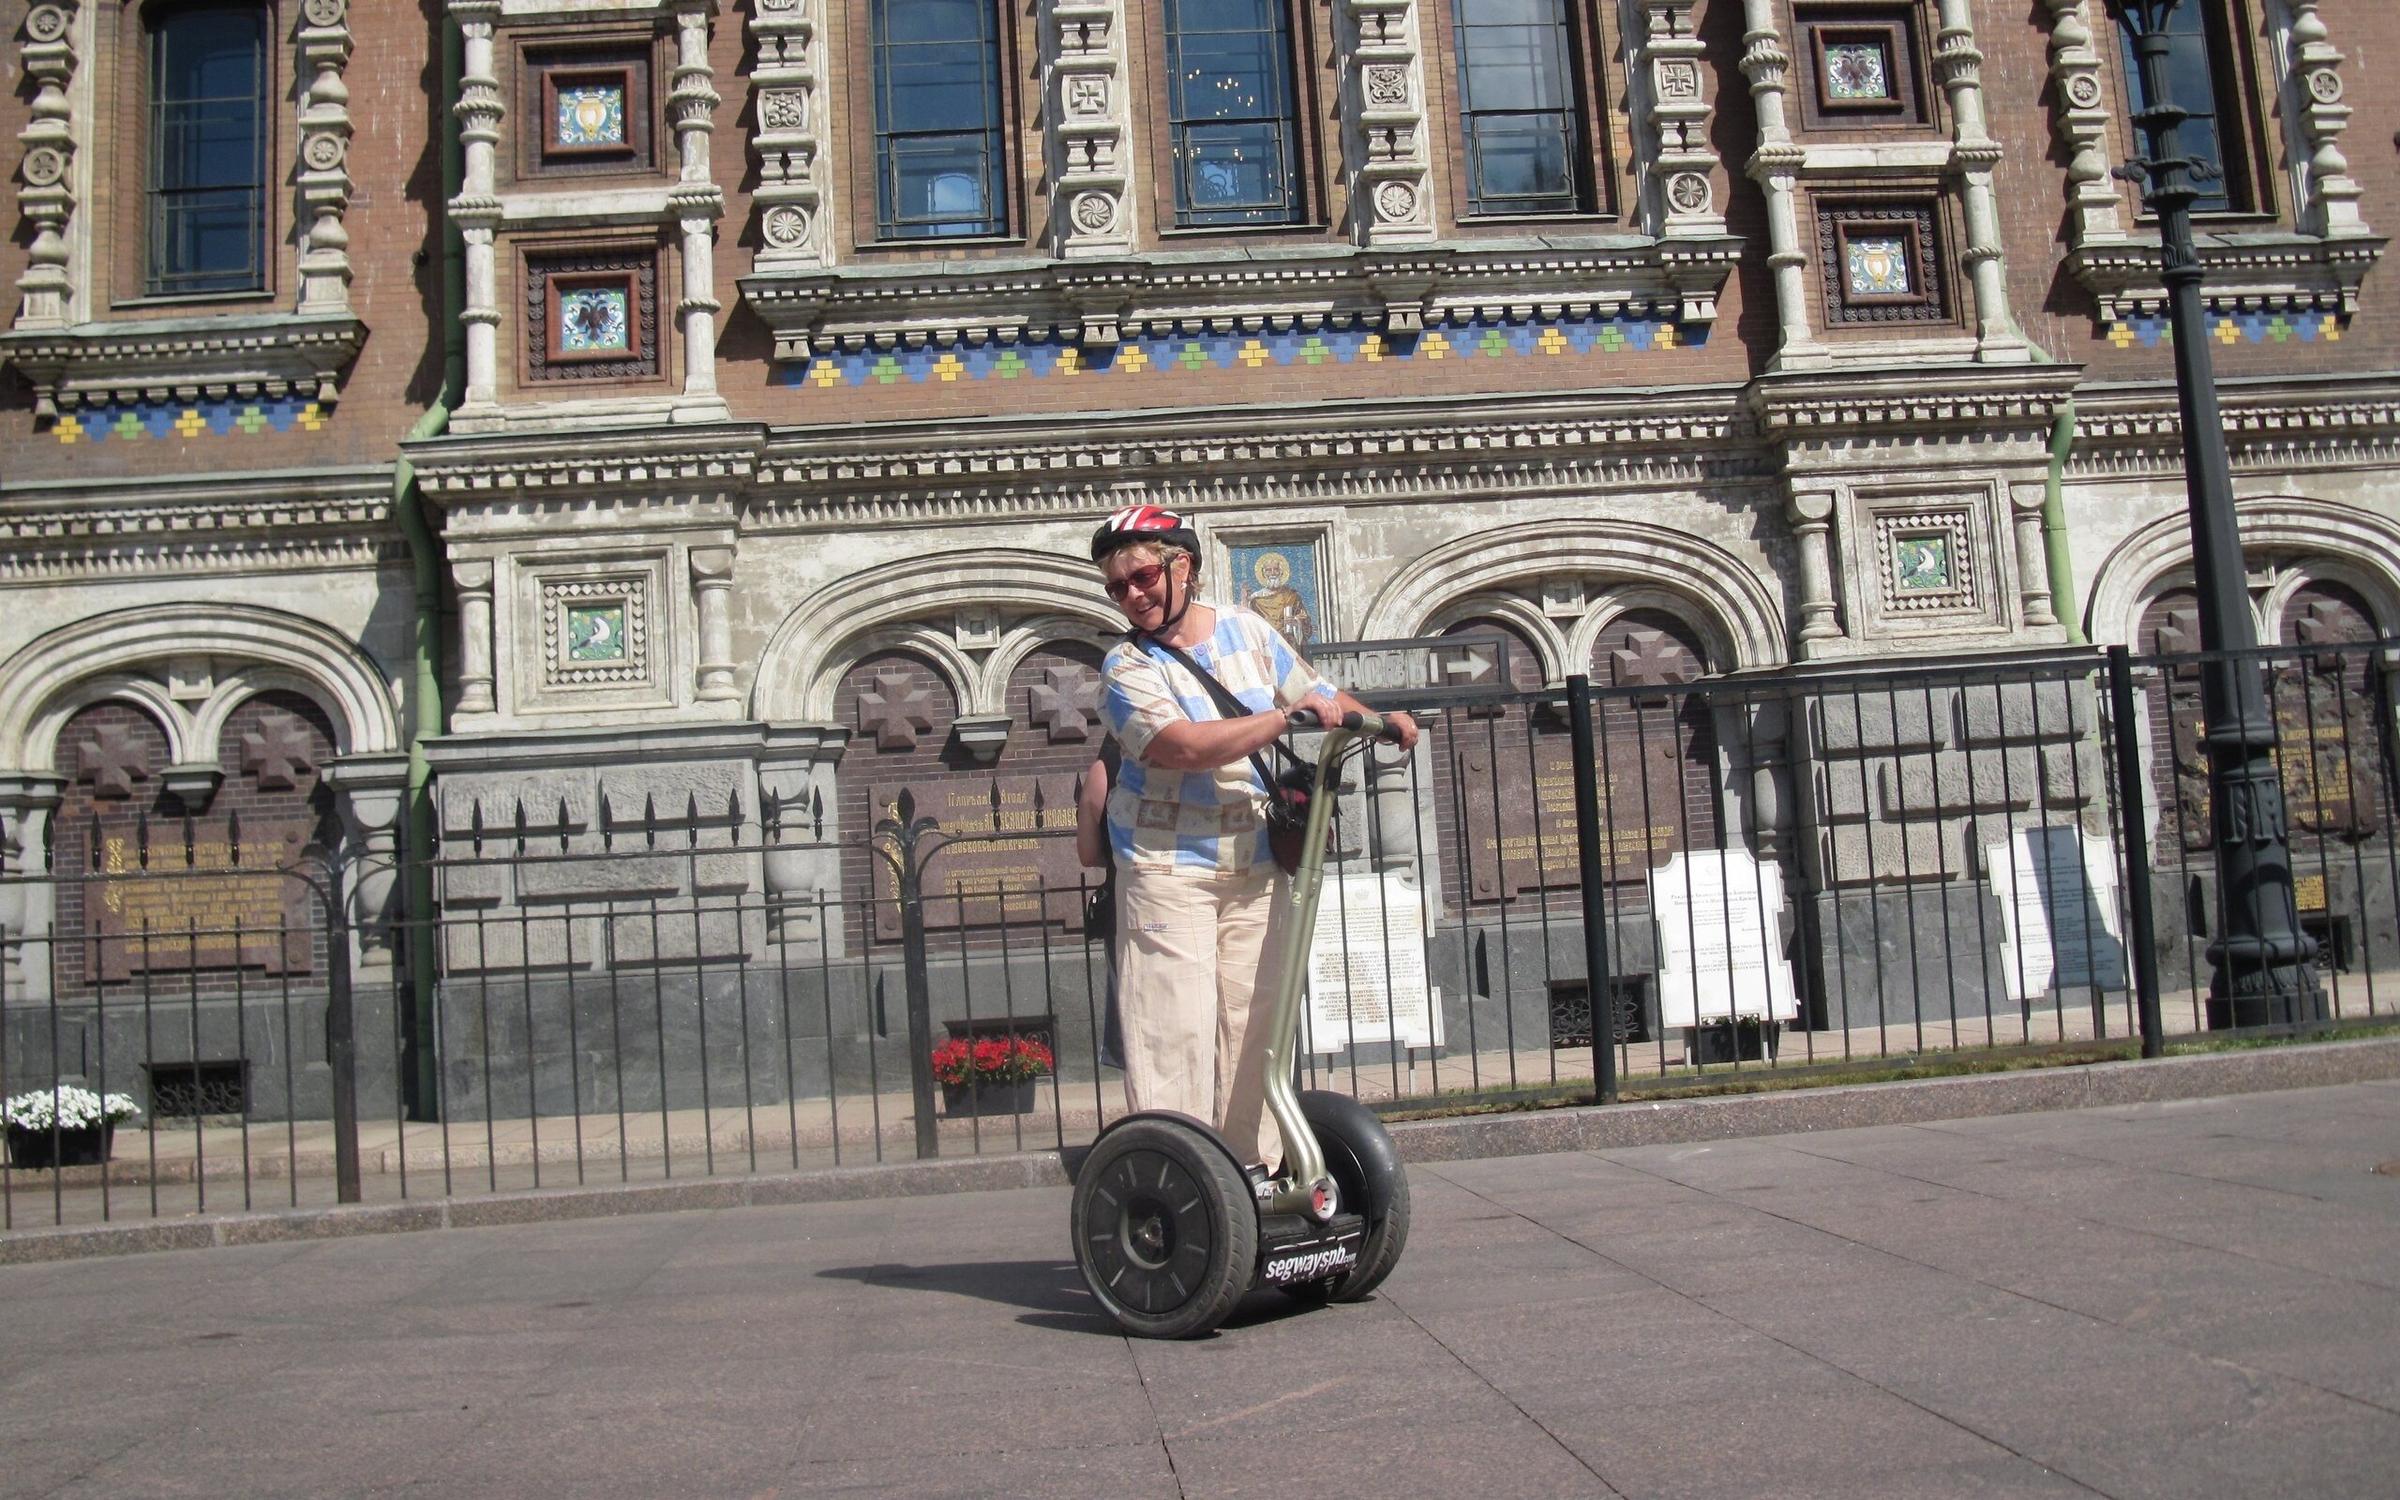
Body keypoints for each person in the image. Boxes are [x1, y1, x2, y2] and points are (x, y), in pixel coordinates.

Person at [1090, 504, 1417, 1173]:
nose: (1133, 595)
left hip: (1253, 864)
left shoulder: (1246, 629)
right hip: (1166, 870)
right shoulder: (1125, 666)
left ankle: (1252, 1174)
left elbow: (1317, 692)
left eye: (1143, 577)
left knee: (1253, 1031)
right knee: (1172, 1034)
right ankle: (1174, 1179)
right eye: (1117, 587)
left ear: (1185, 566)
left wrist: (1378, 719)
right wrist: (1279, 719)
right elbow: (1179, 747)